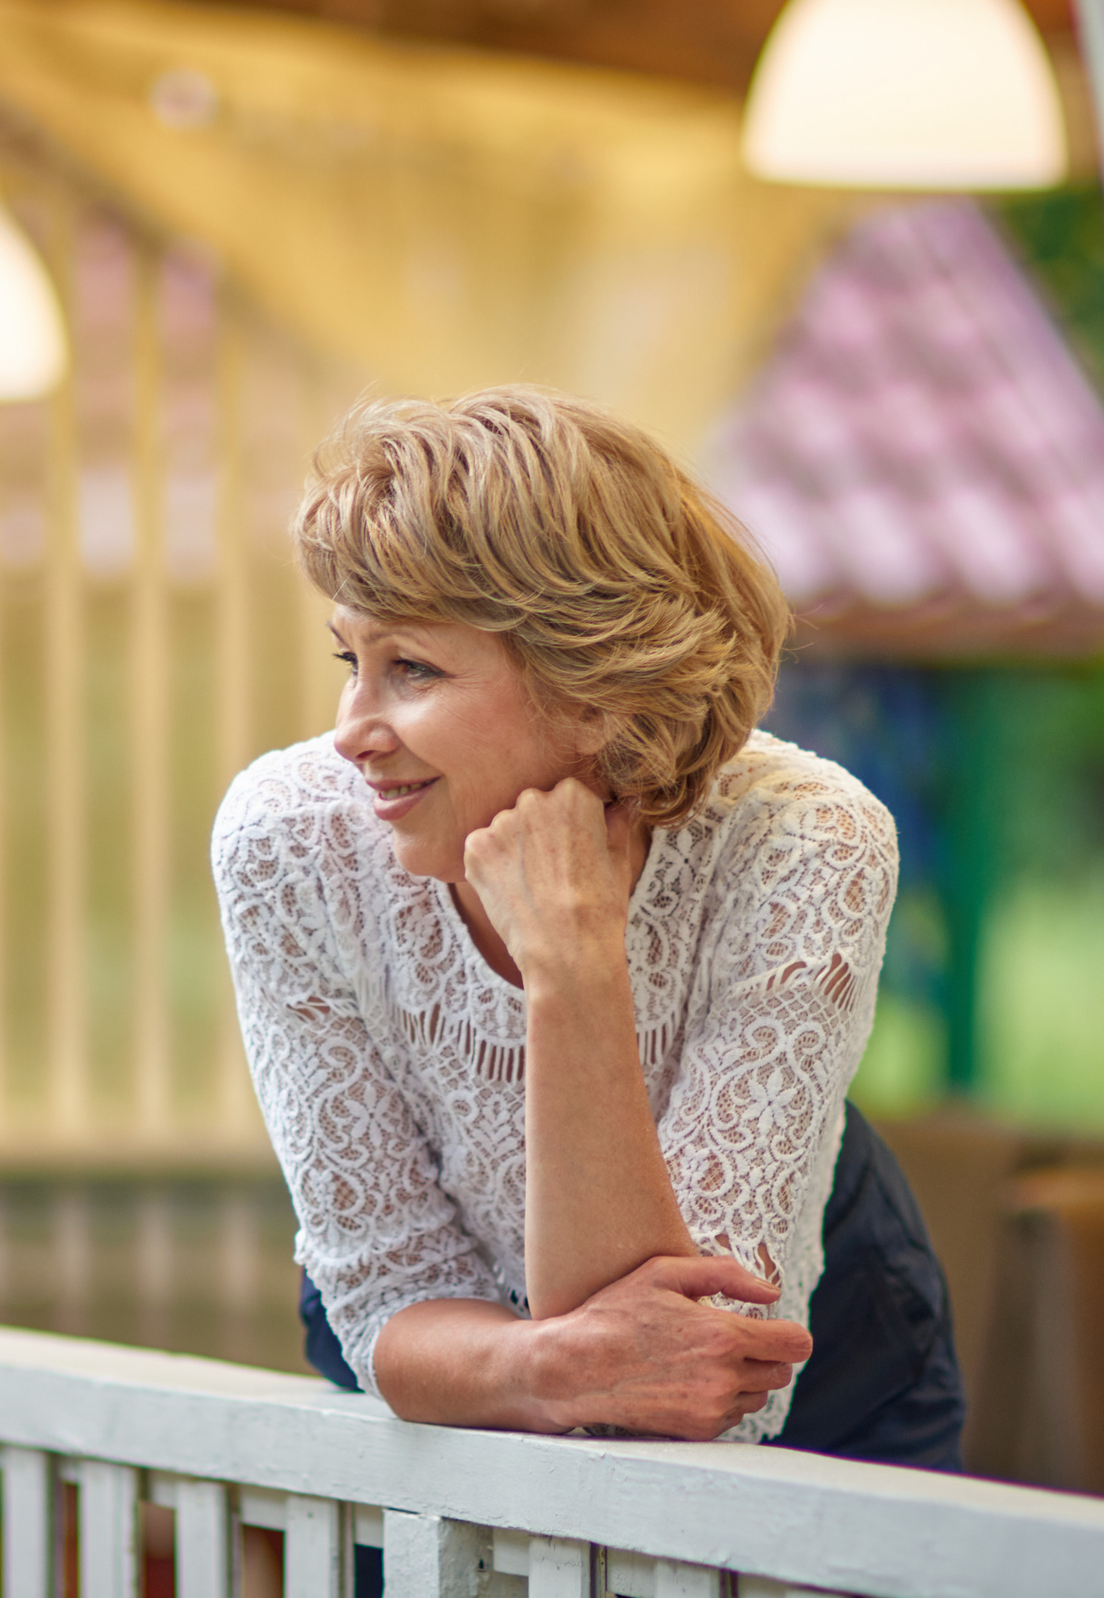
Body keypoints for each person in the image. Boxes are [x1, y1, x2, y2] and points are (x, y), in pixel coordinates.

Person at [211, 387, 962, 1465]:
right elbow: (386, 1297)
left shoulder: (805, 838)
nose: (351, 735)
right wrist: (545, 1371)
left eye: (410, 668)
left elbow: (696, 1381)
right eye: (349, 661)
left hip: (826, 1385)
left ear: (593, 687)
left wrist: (572, 965)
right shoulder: (287, 840)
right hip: (441, 1379)